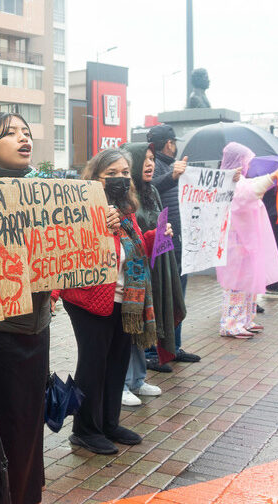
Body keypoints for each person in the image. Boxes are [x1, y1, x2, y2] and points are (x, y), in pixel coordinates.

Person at [0, 112, 116, 501]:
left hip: (34, 330)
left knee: (24, 426)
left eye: (26, 132)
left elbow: (72, 251)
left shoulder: (51, 194)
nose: (22, 139)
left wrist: (102, 223)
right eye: (9, 133)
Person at [59, 148, 161, 455]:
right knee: (93, 363)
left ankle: (108, 423)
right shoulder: (80, 208)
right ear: (95, 177)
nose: (120, 179)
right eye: (111, 174)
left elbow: (136, 246)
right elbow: (64, 248)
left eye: (124, 173)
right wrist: (99, 225)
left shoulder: (127, 208)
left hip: (124, 298)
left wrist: (156, 237)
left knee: (117, 362)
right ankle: (85, 430)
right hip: (88, 299)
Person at [121, 143, 186, 407]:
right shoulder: (125, 194)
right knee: (130, 326)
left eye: (151, 159)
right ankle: (123, 383)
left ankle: (137, 379)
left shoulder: (153, 190)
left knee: (144, 324)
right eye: (144, 160)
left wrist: (165, 230)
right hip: (131, 270)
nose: (149, 164)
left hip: (153, 265)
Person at [216, 143, 278, 338]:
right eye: (246, 161)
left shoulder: (239, 181)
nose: (248, 165)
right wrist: (273, 176)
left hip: (245, 243)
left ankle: (245, 319)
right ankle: (230, 324)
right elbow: (249, 193)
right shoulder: (228, 182)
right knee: (237, 285)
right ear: (238, 161)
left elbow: (251, 187)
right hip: (236, 244)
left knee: (247, 283)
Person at [144, 124, 200, 369]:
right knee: (161, 295)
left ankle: (173, 348)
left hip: (177, 241)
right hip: (162, 241)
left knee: (176, 296)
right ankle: (151, 351)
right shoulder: (158, 167)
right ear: (169, 143)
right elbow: (149, 187)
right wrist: (172, 176)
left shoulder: (174, 167)